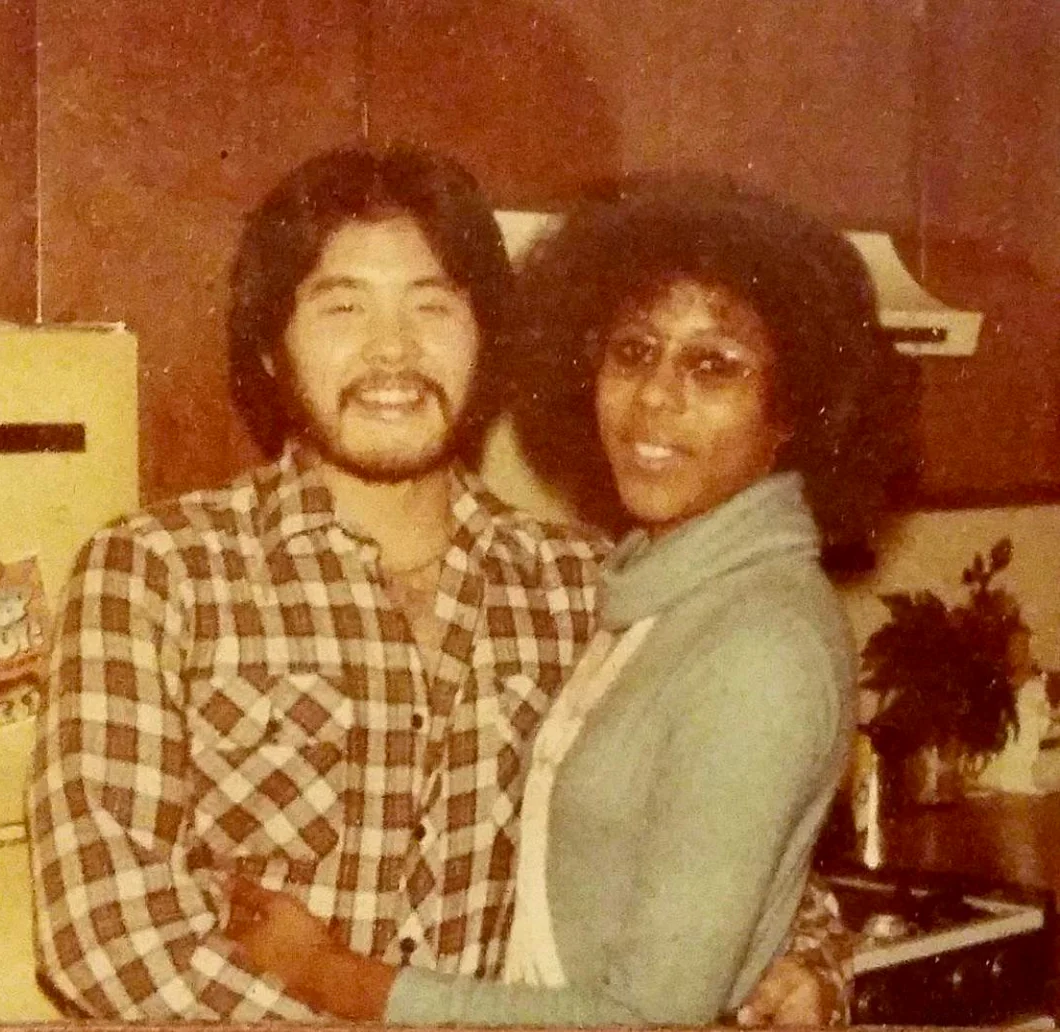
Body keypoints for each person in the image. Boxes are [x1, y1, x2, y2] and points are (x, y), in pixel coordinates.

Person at [27, 146, 855, 1023]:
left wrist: (813, 958)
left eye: (433, 305)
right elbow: (105, 934)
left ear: (486, 338)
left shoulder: (580, 590)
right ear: (271, 349)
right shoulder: (156, 575)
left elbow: (717, 839)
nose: (393, 350)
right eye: (342, 306)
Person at [224, 174, 916, 1025]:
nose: (655, 399)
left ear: (795, 412)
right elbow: (692, 861)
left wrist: (340, 979)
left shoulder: (759, 642)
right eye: (632, 352)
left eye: (714, 366)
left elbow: (650, 1016)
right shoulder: (624, 588)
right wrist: (806, 950)